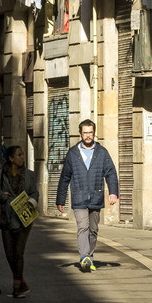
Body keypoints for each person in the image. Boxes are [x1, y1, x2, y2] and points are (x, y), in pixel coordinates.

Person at [56, 116, 118, 272]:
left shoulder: (102, 152)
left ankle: (89, 256)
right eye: (85, 133)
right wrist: (60, 199)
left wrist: (113, 193)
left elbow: (111, 173)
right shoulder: (73, 154)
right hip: (79, 197)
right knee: (83, 226)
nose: (88, 136)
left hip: (96, 196)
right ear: (80, 134)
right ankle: (84, 256)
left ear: (94, 133)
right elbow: (65, 177)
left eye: (90, 133)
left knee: (93, 229)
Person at [0, 144, 35, 297]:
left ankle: (17, 286)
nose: (22, 158)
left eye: (22, 155)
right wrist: (0, 196)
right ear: (11, 158)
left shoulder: (29, 175)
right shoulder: (1, 173)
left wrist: (32, 201)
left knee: (18, 253)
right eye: (19, 155)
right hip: (7, 218)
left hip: (25, 217)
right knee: (9, 254)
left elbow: (35, 193)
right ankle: (21, 282)